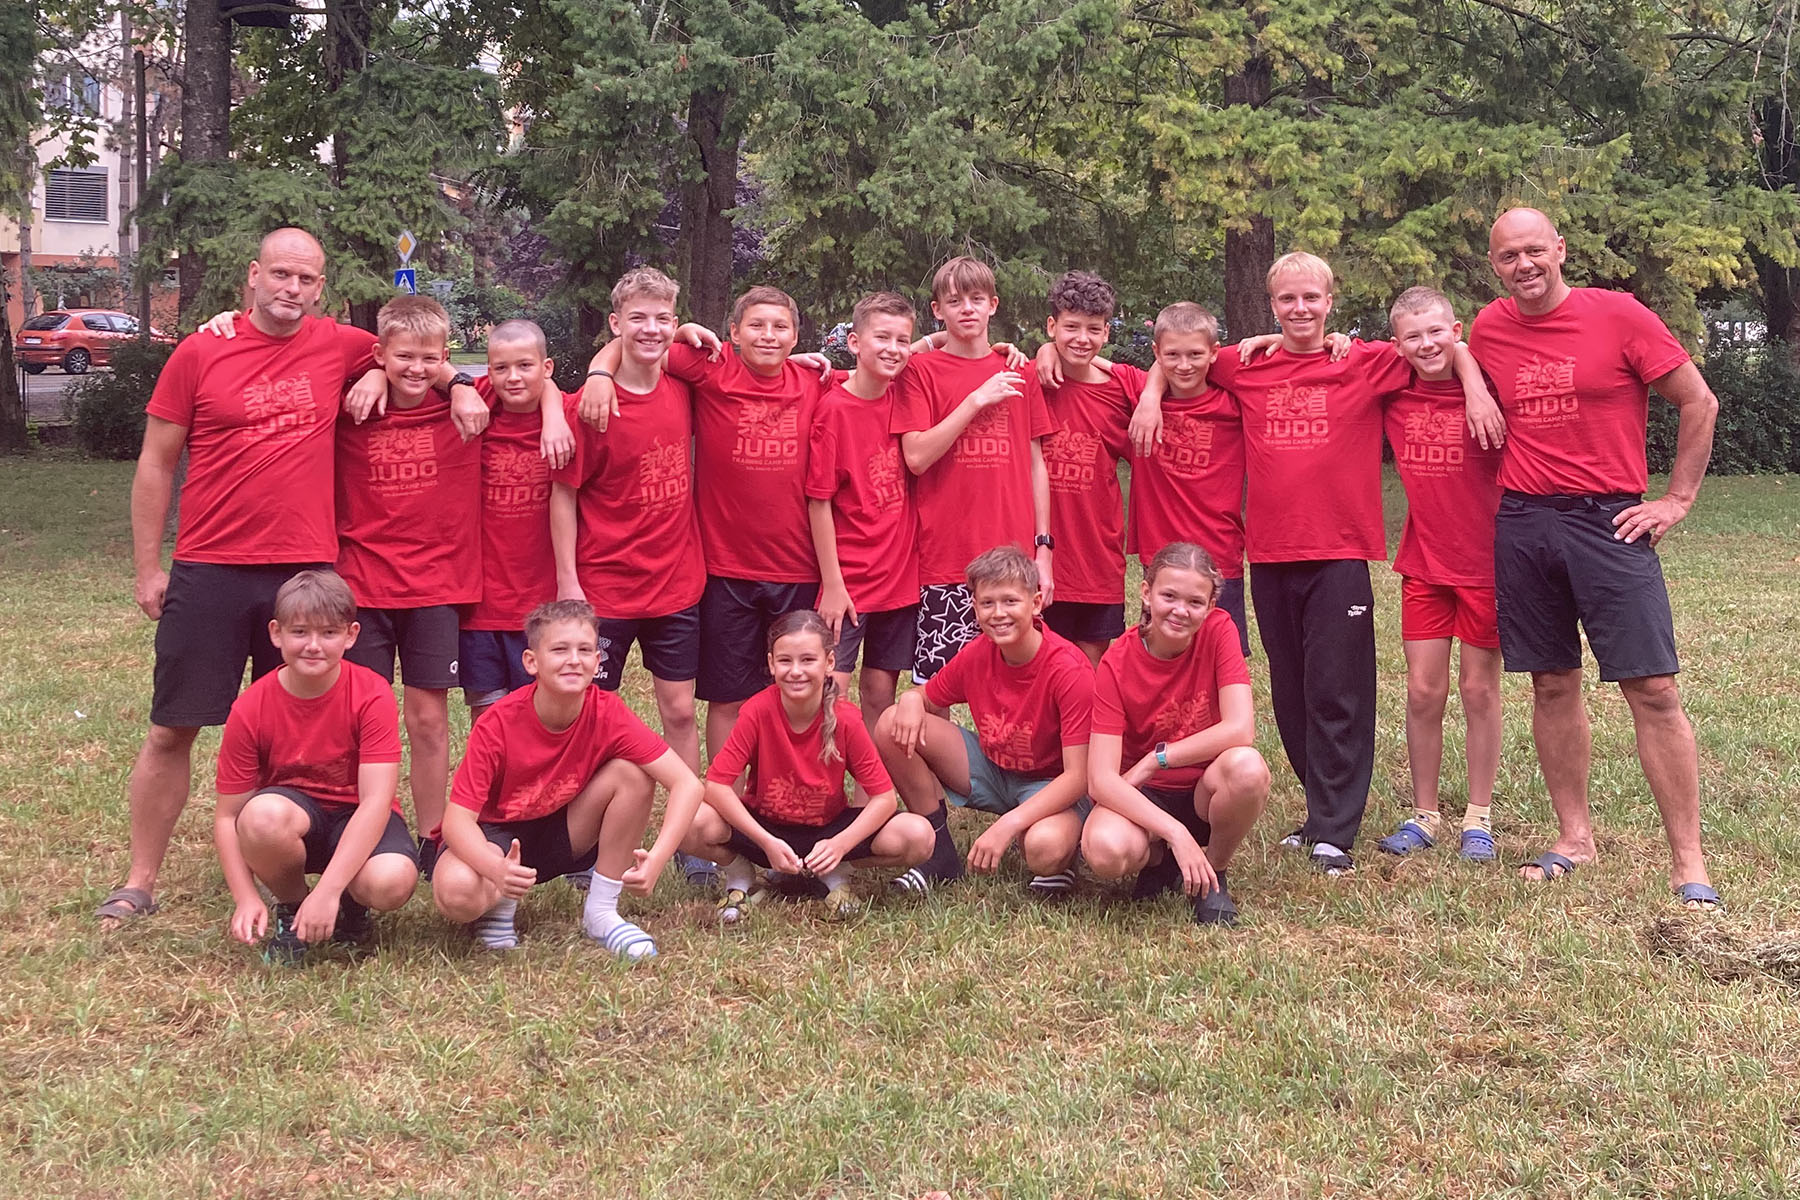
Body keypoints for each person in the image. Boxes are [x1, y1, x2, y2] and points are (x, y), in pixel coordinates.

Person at [1129, 252, 1499, 875]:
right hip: (1270, 555)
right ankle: (1315, 811)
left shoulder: (1365, 361)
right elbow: (1178, 354)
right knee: (1292, 690)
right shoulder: (1245, 363)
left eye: (1310, 298)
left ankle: (1335, 827)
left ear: (1330, 302)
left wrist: (1477, 387)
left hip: (1340, 553)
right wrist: (1148, 396)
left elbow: (1440, 346)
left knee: (1338, 690)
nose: (1299, 309)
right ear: (1272, 305)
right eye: (1287, 299)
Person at [99, 229, 382, 926]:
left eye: (306, 279)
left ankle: (296, 867)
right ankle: (139, 880)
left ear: (321, 288)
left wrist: (379, 372)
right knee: (173, 727)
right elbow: (156, 463)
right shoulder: (201, 351)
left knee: (303, 732)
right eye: (280, 273)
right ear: (253, 275)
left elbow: (417, 352)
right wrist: (148, 567)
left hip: (303, 572)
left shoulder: (341, 345)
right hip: (211, 568)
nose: (291, 288)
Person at [1470, 207, 1723, 910]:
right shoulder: (1489, 327)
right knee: (1551, 683)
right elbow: (1445, 353)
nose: (1523, 265)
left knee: (1654, 688)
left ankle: (1689, 862)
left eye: (1534, 251)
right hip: (1524, 521)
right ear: (1494, 265)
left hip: (1608, 520)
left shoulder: (1618, 315)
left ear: (1559, 249)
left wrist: (1676, 500)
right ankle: (1575, 837)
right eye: (1508, 256)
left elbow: (1698, 401)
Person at [577, 285, 833, 762]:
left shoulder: (813, 380)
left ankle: (779, 791)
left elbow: (880, 370)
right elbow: (639, 343)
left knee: (794, 693)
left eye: (780, 327)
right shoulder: (713, 367)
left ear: (797, 337)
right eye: (756, 325)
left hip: (798, 569)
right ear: (733, 332)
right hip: (724, 571)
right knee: (728, 698)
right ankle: (722, 796)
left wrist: (932, 341)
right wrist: (597, 373)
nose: (768, 335)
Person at [430, 600, 706, 958]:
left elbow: (688, 784)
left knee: (633, 773)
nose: (574, 659)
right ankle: (499, 904)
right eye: (559, 650)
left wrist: (657, 857)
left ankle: (601, 912)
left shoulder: (607, 711)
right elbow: (456, 821)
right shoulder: (497, 723)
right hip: (494, 838)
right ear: (531, 662)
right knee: (456, 892)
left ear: (598, 661)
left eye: (585, 650)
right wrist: (494, 869)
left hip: (564, 829)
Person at [332, 295, 481, 855]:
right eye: (402, 358)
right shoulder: (349, 407)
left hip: (435, 587)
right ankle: (368, 830)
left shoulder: (467, 409)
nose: (416, 369)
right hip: (363, 585)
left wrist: (460, 382)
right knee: (361, 718)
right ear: (379, 354)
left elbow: (536, 387)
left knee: (428, 720)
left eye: (428, 358)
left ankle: (431, 837)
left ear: (444, 356)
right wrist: (373, 374)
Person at [213, 570, 419, 965]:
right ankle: (293, 909)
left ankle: (350, 905)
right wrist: (245, 897)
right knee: (260, 817)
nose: (313, 645)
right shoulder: (251, 707)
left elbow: (376, 802)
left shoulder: (372, 693)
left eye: (328, 633)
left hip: (357, 816)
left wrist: (329, 890)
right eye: (299, 632)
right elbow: (227, 817)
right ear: (276, 634)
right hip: (294, 820)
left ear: (351, 635)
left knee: (392, 881)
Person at [551, 268, 704, 794]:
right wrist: (568, 581)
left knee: (679, 711)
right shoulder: (590, 406)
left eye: (663, 318)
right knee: (591, 711)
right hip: (606, 586)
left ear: (675, 323)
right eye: (638, 318)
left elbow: (754, 368)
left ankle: (691, 826)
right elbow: (564, 495)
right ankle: (585, 824)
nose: (651, 329)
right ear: (615, 324)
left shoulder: (684, 387)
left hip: (676, 583)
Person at [681, 611, 935, 921]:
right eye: (785, 661)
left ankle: (834, 870)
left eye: (808, 660)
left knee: (918, 835)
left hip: (828, 830)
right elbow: (717, 786)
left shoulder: (846, 718)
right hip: (766, 828)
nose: (796, 671)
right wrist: (765, 841)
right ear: (771, 664)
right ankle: (740, 874)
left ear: (829, 663)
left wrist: (840, 845)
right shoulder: (757, 710)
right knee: (688, 819)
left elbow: (883, 798)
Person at [873, 546, 1092, 894]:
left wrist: (1008, 824)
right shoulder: (978, 654)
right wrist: (911, 698)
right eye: (987, 603)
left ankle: (1061, 855)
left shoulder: (1069, 669)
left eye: (1010, 601)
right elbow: (926, 695)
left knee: (1044, 848)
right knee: (890, 724)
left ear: (1036, 603)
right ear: (974, 608)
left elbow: (1079, 777)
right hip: (995, 770)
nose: (998, 613)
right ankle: (939, 854)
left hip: (1051, 783)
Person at [1374, 287, 1505, 862]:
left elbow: (1473, 358)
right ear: (1397, 344)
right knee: (1423, 690)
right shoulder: (1393, 390)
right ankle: (1424, 813)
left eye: (1436, 332)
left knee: (1479, 689)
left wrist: (1473, 384)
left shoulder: (1491, 386)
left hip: (1486, 564)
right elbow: (1322, 350)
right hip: (1425, 562)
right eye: (1413, 336)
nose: (1426, 345)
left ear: (1456, 331)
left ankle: (1478, 816)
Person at [1081, 543, 1269, 925]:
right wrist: (1175, 832)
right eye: (1169, 596)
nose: (1180, 610)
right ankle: (1162, 859)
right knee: (1103, 849)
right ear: (1146, 593)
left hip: (1204, 789)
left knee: (1248, 768)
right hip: (1147, 798)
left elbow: (1240, 728)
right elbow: (1100, 780)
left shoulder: (1219, 630)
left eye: (1195, 602)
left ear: (1211, 605)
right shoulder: (1117, 662)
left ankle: (1213, 873)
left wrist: (1158, 758)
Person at [892, 257, 1058, 684]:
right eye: (955, 300)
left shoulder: (1018, 370)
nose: (967, 308)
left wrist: (1043, 549)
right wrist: (975, 400)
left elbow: (1036, 463)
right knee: (935, 693)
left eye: (976, 299)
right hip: (945, 559)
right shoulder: (919, 372)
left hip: (1013, 558)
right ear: (937, 310)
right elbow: (916, 457)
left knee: (1021, 686)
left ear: (992, 305)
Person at [806, 291, 921, 725]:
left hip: (899, 576)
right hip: (850, 578)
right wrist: (833, 584)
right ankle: (824, 770)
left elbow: (950, 343)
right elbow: (819, 501)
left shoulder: (906, 395)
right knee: (830, 690)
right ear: (854, 342)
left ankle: (872, 770)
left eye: (902, 340)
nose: (893, 349)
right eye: (882, 338)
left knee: (879, 690)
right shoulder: (834, 409)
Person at [1121, 302, 1250, 655]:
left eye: (1195, 354)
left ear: (1214, 353)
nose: (1183, 365)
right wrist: (1150, 395)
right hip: (1160, 558)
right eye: (1172, 355)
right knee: (1159, 657)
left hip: (1219, 556)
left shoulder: (1235, 405)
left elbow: (1279, 352)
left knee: (1220, 657)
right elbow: (1078, 363)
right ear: (1156, 353)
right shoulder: (1136, 396)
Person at [461, 319, 565, 729]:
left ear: (547, 367)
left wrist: (553, 412)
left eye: (525, 366)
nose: (513, 377)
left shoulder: (569, 416)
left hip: (542, 602)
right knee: (488, 721)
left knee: (541, 718)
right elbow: (429, 366)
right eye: (501, 368)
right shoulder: (477, 408)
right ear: (488, 372)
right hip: (481, 607)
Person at [1034, 271, 1138, 665]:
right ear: (1052, 326)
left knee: (1088, 675)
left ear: (1107, 332)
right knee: (1039, 671)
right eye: (1071, 327)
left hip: (1097, 560)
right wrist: (1045, 351)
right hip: (1039, 560)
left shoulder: (1122, 389)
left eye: (1093, 329)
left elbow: (1180, 367)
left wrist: (1149, 399)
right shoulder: (1031, 381)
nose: (1082, 338)